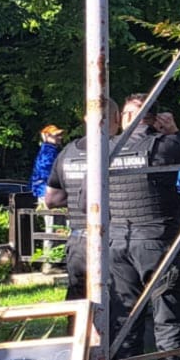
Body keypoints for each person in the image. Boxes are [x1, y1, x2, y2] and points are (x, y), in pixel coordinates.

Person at [109, 91, 180, 360]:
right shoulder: (165, 145)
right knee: (168, 316)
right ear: (154, 119)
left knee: (125, 319)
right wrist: (175, 131)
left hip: (117, 244)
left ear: (126, 119)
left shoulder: (106, 149)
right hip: (157, 242)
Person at [41, 102, 119, 305]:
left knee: (78, 300)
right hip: (113, 237)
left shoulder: (68, 152)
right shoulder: (119, 149)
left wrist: (75, 195)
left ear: (86, 119)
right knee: (118, 298)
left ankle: (77, 327)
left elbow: (51, 200)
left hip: (78, 240)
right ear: (117, 119)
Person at [29, 125, 64, 202]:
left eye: (60, 135)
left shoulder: (50, 150)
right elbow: (46, 173)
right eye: (56, 135)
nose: (60, 137)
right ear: (47, 136)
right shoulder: (47, 152)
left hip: (46, 190)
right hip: (46, 191)